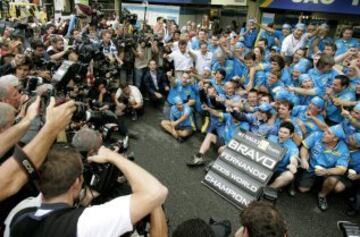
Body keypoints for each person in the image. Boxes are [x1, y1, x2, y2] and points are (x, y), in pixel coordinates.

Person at [9, 144, 168, 237]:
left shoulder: (20, 212)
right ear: (77, 183)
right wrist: (112, 156)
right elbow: (156, 192)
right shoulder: (85, 224)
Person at [298, 125, 350, 211]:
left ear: (335, 139)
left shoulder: (343, 150)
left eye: (328, 133)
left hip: (327, 172)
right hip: (311, 167)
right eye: (326, 130)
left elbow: (342, 169)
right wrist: (303, 158)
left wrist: (326, 171)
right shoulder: (317, 135)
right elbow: (304, 147)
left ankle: (322, 195)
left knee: (335, 183)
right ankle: (315, 183)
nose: (324, 133)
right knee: (302, 189)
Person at [268, 121, 299, 190]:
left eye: (285, 133)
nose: (281, 134)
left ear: (291, 135)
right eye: (280, 131)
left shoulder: (293, 148)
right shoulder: (270, 138)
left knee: (289, 175)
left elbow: (294, 158)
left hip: (278, 170)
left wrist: (293, 165)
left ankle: (269, 189)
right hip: (265, 165)